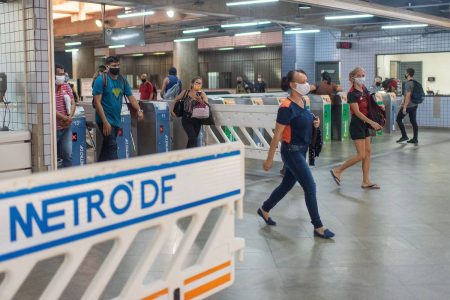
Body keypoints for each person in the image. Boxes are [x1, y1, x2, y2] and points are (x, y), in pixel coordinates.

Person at [258, 69, 334, 239]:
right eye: (303, 81)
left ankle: (264, 209)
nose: (307, 84)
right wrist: (269, 159)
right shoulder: (285, 107)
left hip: (302, 149)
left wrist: (315, 122)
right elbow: (277, 134)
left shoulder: (303, 100)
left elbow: (303, 119)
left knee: (286, 185)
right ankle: (318, 226)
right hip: (291, 152)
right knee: (310, 186)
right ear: (293, 85)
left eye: (307, 80)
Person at [330, 67, 384, 189]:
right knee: (361, 155)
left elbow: (371, 102)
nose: (362, 77)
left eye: (363, 75)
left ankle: (365, 181)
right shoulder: (352, 94)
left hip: (365, 124)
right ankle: (337, 171)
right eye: (359, 75)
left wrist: (379, 109)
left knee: (368, 153)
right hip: (357, 125)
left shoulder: (364, 89)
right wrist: (373, 123)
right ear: (353, 77)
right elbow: (358, 113)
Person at [93, 56, 143, 161]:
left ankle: (99, 170)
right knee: (112, 146)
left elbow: (131, 97)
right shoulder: (101, 80)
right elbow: (97, 103)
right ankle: (115, 173)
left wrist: (139, 110)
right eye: (114, 66)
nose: (117, 67)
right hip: (104, 120)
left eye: (118, 65)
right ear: (107, 67)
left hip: (116, 120)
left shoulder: (122, 80)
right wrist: (105, 122)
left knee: (107, 147)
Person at [173, 76, 208, 148]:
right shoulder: (185, 92)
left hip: (198, 119)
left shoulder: (202, 94)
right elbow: (176, 99)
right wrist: (172, 111)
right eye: (197, 83)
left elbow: (206, 105)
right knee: (193, 139)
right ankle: (192, 156)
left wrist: (200, 100)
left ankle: (187, 156)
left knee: (192, 140)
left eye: (200, 83)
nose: (198, 84)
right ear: (192, 84)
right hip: (187, 119)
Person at [55, 64, 75, 168]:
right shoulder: (48, 88)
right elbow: (49, 108)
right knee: (55, 158)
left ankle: (68, 180)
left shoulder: (66, 86)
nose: (61, 76)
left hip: (66, 127)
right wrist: (63, 118)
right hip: (54, 129)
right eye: (59, 74)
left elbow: (72, 102)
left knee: (68, 155)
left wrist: (69, 117)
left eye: (63, 74)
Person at [396, 68, 419, 144]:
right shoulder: (415, 82)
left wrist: (405, 106)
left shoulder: (408, 83)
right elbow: (407, 95)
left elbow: (408, 96)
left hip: (408, 106)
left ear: (408, 74)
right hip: (414, 105)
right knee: (413, 121)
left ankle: (404, 136)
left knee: (398, 119)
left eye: (406, 73)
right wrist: (403, 101)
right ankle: (415, 138)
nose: (405, 74)